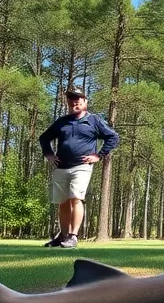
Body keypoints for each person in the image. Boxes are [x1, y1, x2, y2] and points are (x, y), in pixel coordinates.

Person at [38, 87, 119, 248]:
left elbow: (113, 137)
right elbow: (44, 138)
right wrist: (48, 154)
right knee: (62, 202)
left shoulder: (93, 120)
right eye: (71, 98)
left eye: (78, 98)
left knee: (76, 198)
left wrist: (99, 155)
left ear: (85, 102)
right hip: (61, 167)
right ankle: (62, 236)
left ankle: (73, 236)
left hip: (81, 166)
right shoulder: (62, 122)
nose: (74, 101)